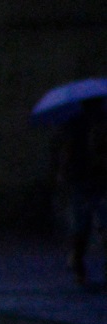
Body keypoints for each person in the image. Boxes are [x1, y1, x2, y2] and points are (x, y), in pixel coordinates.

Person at [58, 97, 107, 286]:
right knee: (92, 225)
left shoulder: (74, 125)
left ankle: (78, 264)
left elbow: (65, 154)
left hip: (85, 180)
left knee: (82, 226)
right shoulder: (97, 124)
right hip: (95, 180)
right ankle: (79, 263)